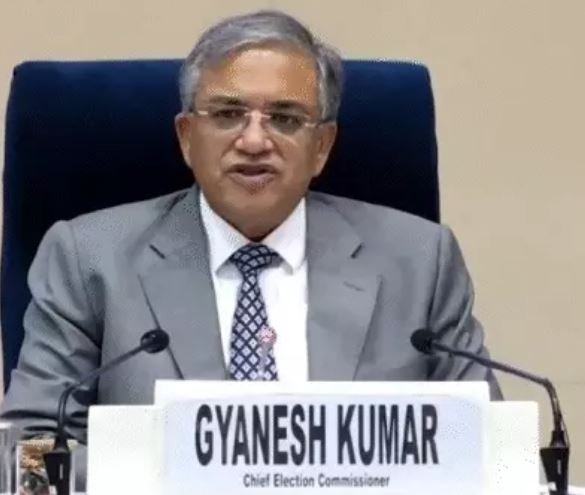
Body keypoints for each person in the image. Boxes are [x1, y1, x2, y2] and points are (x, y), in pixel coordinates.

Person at [1, 9, 501, 489]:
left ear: (322, 146)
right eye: (228, 114)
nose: (255, 140)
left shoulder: (420, 261)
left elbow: (489, 448)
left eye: (284, 118)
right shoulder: (89, 258)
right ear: (187, 137)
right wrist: (180, 477)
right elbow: (28, 454)